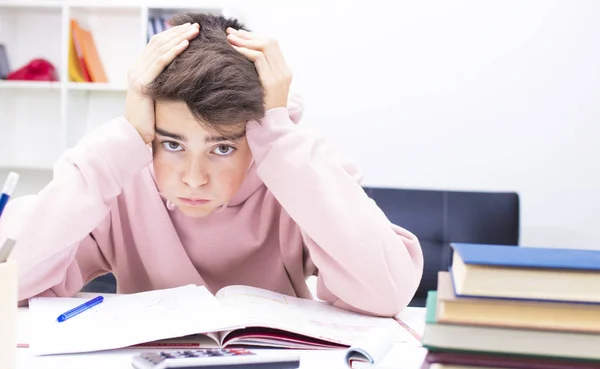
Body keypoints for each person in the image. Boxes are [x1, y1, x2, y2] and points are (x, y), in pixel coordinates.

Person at [0, 13, 423, 317]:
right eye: (172, 144)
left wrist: (279, 140)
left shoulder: (297, 170)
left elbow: (385, 293)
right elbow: (7, 282)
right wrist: (122, 143)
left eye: (222, 148)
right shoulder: (121, 176)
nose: (193, 178)